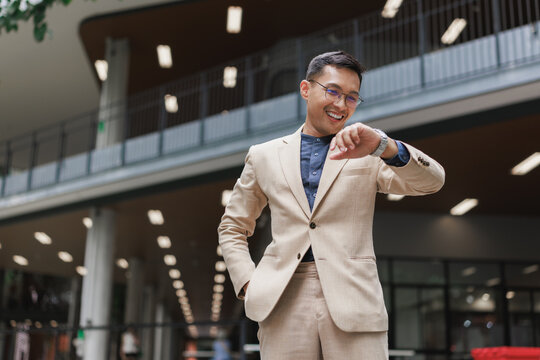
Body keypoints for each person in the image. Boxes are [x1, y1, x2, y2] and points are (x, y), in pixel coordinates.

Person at [218, 50, 445, 359]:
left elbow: (431, 181)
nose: (341, 104)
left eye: (352, 97)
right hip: (283, 295)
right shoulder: (263, 155)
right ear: (306, 89)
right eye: (333, 91)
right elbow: (232, 226)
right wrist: (248, 282)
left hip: (354, 298)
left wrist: (385, 145)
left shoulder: (367, 148)